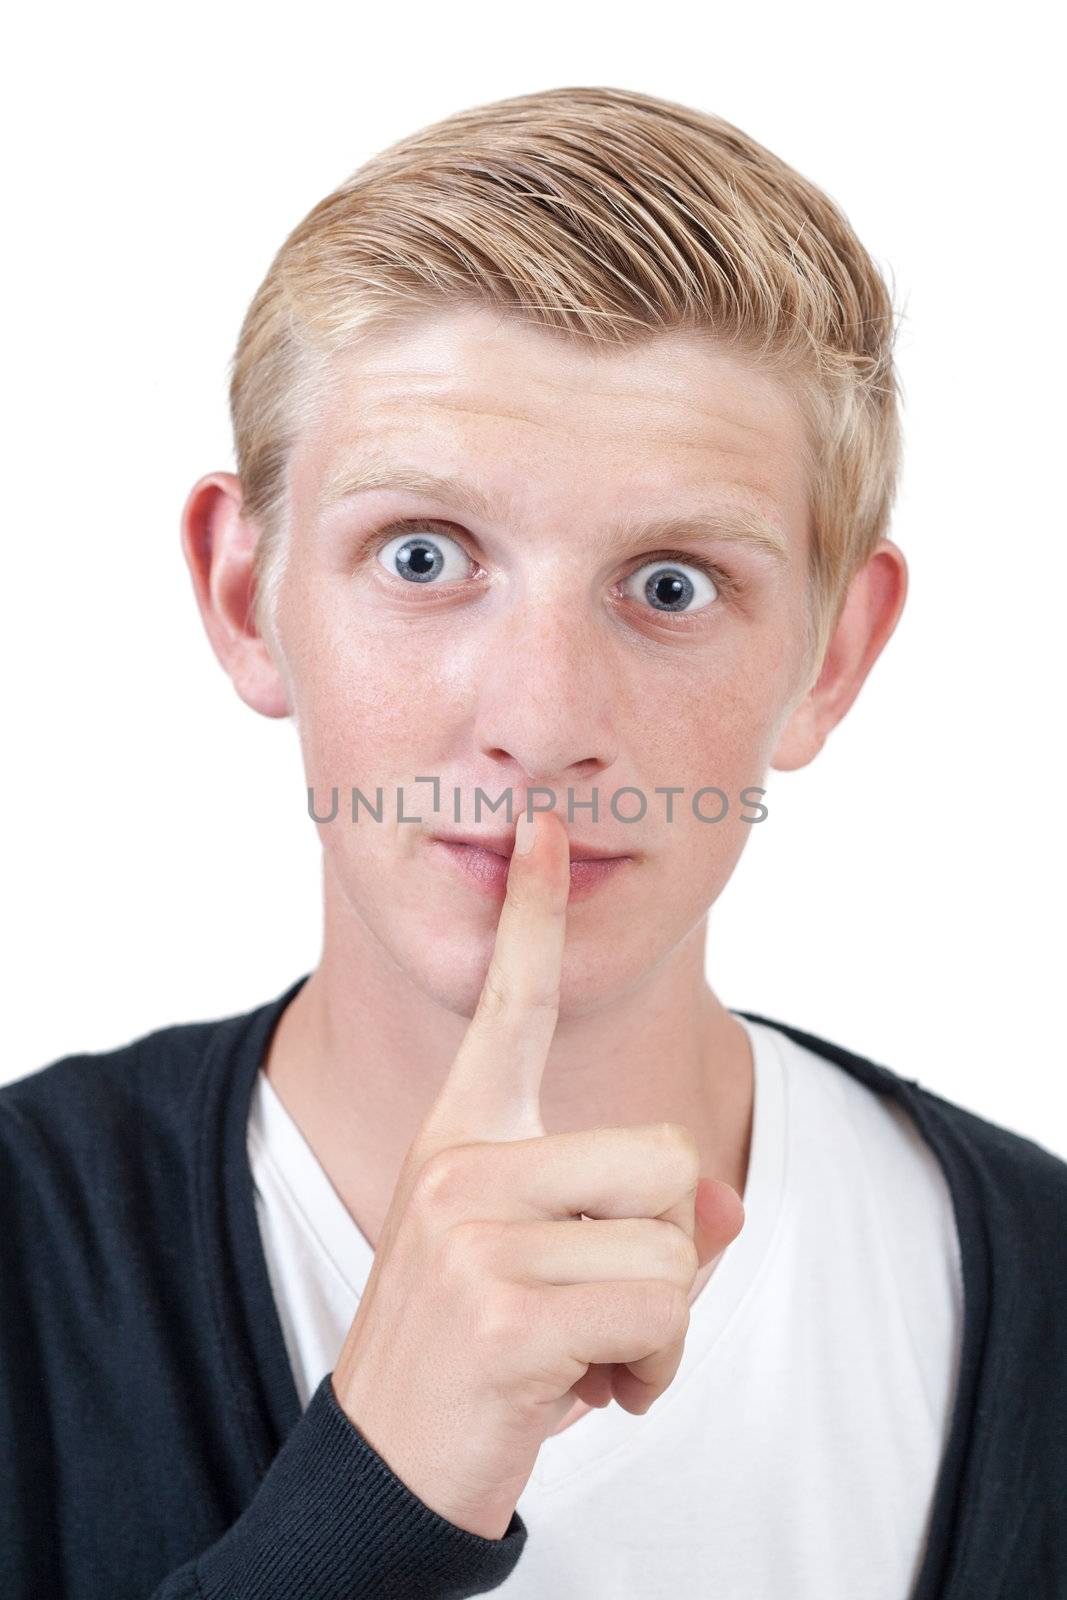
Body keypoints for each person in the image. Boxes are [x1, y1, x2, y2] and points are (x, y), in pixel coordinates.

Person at [2, 84, 1064, 1600]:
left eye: (675, 585)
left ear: (832, 658)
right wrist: (374, 1496)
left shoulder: (1037, 1288)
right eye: (424, 556)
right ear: (246, 597)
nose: (544, 717)